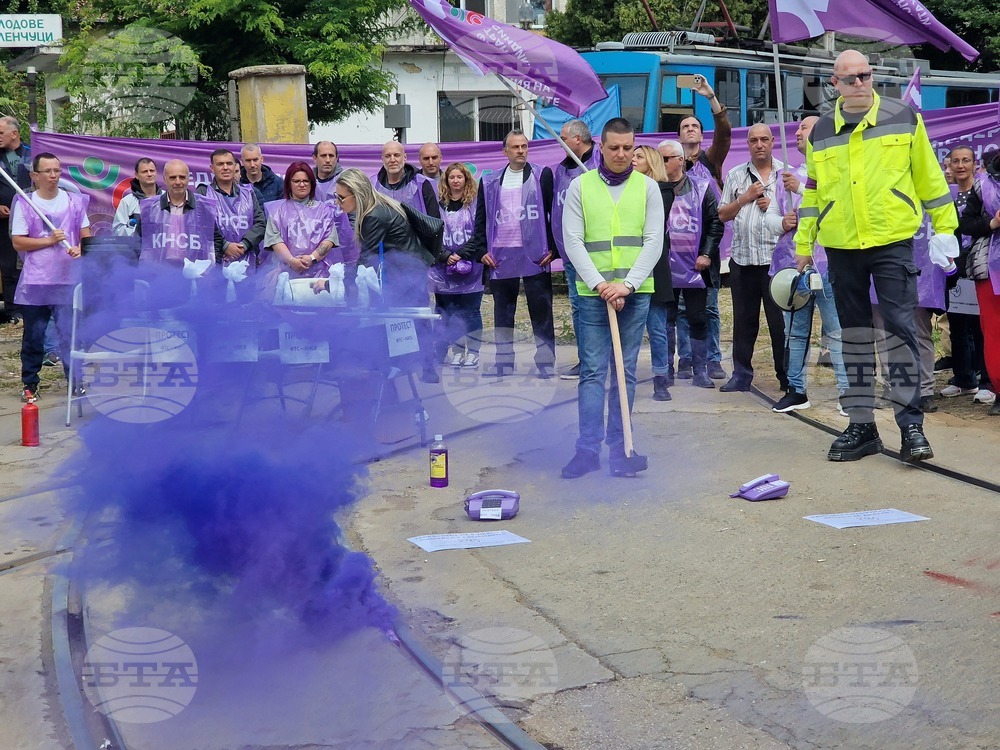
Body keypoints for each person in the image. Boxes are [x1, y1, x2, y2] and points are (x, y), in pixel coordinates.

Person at [794, 49, 959, 462]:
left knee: (901, 332)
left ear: (872, 76)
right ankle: (862, 426)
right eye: (848, 78)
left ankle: (911, 427)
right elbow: (813, 192)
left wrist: (946, 227)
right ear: (834, 84)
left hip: (891, 242)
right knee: (852, 337)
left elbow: (929, 175)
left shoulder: (903, 118)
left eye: (863, 76)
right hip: (841, 246)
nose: (857, 84)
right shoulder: (822, 131)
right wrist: (803, 244)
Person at [560, 117, 663, 479]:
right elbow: (572, 242)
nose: (621, 154)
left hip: (634, 294)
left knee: (626, 372)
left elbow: (653, 241)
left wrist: (628, 286)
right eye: (614, 147)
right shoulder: (580, 187)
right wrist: (602, 285)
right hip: (593, 293)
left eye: (628, 148)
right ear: (600, 147)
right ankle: (587, 450)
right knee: (592, 372)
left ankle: (622, 448)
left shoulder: (648, 188)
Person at [764, 116, 849, 414]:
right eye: (798, 127)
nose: (798, 132)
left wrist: (801, 188)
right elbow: (770, 219)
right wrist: (781, 222)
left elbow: (835, 204)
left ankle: (847, 393)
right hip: (792, 265)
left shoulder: (836, 170)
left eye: (805, 127)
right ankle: (797, 389)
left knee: (837, 330)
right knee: (795, 331)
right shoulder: (782, 177)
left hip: (827, 263)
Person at [332, 168, 446, 383]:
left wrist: (334, 283)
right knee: (415, 317)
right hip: (409, 267)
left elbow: (365, 261)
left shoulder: (373, 215)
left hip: (407, 271)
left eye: (340, 197)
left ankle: (397, 367)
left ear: (356, 193)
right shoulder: (378, 206)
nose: (338, 202)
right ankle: (420, 365)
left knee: (407, 317)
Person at [471, 129, 556, 378]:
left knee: (541, 311)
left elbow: (553, 214)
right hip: (501, 256)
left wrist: (552, 246)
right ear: (505, 151)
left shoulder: (542, 175)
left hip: (535, 255)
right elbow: (481, 219)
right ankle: (503, 363)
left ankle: (545, 363)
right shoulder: (489, 181)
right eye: (515, 147)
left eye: (524, 146)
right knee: (503, 312)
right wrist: (481, 251)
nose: (520, 151)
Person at [10, 153, 91, 401]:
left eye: (57, 170)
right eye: (47, 171)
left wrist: (81, 247)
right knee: (34, 335)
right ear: (35, 175)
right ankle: (30, 383)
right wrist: (48, 240)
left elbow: (85, 234)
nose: (53, 175)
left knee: (70, 333)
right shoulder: (24, 202)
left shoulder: (74, 202)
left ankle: (75, 381)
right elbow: (18, 241)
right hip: (37, 280)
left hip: (68, 279)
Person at [669, 78, 733, 382]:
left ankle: (713, 358)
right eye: (685, 127)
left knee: (708, 307)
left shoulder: (711, 160)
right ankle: (687, 359)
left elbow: (725, 133)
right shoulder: (668, 167)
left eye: (695, 125)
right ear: (679, 136)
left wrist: (711, 98)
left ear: (701, 133)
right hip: (676, 256)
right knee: (681, 309)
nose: (691, 129)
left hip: (706, 252)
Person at [717, 123, 786, 393]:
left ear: (772, 142)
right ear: (747, 144)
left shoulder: (785, 173)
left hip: (776, 262)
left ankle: (786, 376)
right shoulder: (735, 175)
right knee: (744, 321)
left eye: (764, 140)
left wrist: (774, 207)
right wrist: (745, 197)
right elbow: (723, 214)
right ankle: (741, 375)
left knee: (780, 323)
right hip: (743, 260)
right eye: (753, 140)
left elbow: (799, 213)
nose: (759, 144)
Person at [658, 139, 723, 392]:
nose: (662, 164)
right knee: (666, 320)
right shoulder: (652, 188)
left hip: (695, 268)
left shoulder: (702, 187)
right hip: (664, 268)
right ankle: (666, 371)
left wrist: (707, 254)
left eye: (666, 159)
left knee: (698, 318)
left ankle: (700, 370)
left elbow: (716, 223)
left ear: (680, 160)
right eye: (660, 159)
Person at [552, 119, 600, 381]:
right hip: (572, 255)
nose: (560, 142)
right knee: (579, 307)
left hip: (599, 252)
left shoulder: (600, 162)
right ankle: (586, 360)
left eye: (563, 137)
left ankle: (608, 358)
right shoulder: (561, 171)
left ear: (577, 139)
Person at [942, 145, 989, 404]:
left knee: (979, 326)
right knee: (956, 324)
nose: (960, 166)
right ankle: (963, 378)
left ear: (975, 164)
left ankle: (986, 378)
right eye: (956, 161)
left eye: (966, 161)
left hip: (979, 266)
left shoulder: (984, 192)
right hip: (953, 267)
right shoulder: (945, 195)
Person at [263, 162, 356, 289]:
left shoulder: (324, 210)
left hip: (320, 274)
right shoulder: (276, 210)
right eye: (296, 181)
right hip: (285, 274)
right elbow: (275, 241)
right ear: (288, 183)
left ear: (312, 183)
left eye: (306, 181)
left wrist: (312, 258)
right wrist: (292, 261)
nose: (302, 184)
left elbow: (329, 239)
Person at [630, 145, 676, 400]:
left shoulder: (663, 190)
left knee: (656, 327)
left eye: (639, 156)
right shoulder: (626, 187)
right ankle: (625, 376)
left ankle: (661, 377)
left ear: (651, 163)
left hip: (654, 267)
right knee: (631, 328)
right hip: (627, 266)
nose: (632, 160)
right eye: (632, 156)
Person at [957, 150, 1000, 416]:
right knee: (994, 331)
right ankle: (999, 390)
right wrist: (992, 222)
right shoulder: (983, 185)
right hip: (989, 267)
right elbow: (966, 224)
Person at [431, 162, 483, 369]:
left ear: (466, 179)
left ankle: (474, 352)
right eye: (451, 177)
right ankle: (458, 351)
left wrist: (460, 254)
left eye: (459, 177)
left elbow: (479, 233)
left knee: (471, 312)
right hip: (444, 268)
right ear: (446, 180)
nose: (455, 181)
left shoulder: (475, 204)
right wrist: (446, 256)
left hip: (471, 266)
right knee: (449, 313)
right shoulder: (438, 205)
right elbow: (432, 233)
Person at [137, 159, 224, 266]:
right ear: (164, 179)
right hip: (159, 273)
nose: (178, 182)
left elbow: (215, 240)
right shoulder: (150, 208)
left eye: (182, 177)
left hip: (195, 275)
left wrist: (209, 268)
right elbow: (139, 241)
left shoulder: (204, 207)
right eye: (172, 178)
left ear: (188, 179)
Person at [196, 149, 266, 270]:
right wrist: (225, 245)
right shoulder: (203, 193)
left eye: (229, 163)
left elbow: (261, 223)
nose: (225, 167)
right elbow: (202, 226)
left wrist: (244, 245)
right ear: (212, 168)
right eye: (220, 164)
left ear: (235, 166)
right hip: (216, 263)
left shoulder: (249, 193)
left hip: (248, 261)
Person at [0, 116, 31, 325]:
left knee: (29, 263)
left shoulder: (32, 154)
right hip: (4, 221)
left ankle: (31, 307)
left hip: (30, 220)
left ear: (15, 133)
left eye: (1, 133)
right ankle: (13, 311)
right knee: (8, 265)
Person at [375, 141, 440, 218]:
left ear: (405, 157)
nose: (392, 160)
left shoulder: (422, 184)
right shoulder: (373, 185)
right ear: (382, 159)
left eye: (396, 155)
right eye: (388, 156)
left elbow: (435, 221)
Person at [112, 158, 163, 237]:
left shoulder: (167, 198)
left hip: (162, 247)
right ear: (136, 175)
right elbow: (117, 231)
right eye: (144, 171)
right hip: (136, 248)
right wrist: (137, 231)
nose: (149, 174)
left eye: (152, 171)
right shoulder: (127, 201)